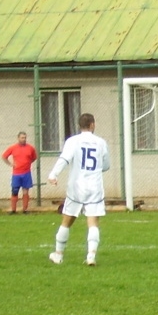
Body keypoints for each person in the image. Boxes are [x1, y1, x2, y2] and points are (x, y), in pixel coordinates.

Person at [47, 113, 110, 266]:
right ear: (93, 125)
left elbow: (64, 159)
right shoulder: (101, 142)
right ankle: (91, 256)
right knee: (93, 221)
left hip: (76, 186)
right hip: (94, 187)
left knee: (67, 220)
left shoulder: (73, 141)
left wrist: (53, 174)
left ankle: (59, 254)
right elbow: (106, 165)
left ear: (79, 125)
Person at [1, 131, 38, 214]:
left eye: (25, 138)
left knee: (25, 191)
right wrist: (10, 164)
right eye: (22, 138)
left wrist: (27, 163)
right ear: (18, 138)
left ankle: (25, 210)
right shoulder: (13, 147)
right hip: (16, 173)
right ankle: (13, 210)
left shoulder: (30, 148)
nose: (24, 139)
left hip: (26, 173)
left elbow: (34, 158)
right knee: (14, 191)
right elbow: (4, 156)